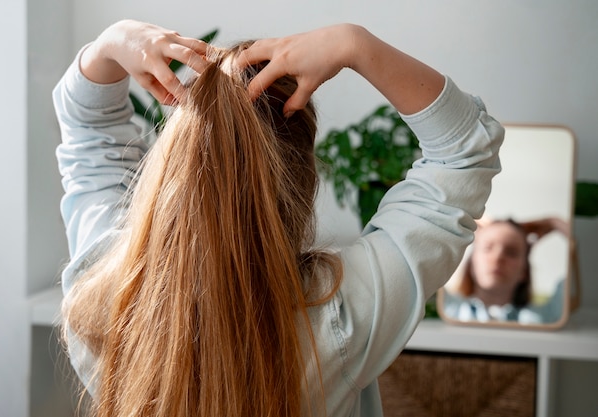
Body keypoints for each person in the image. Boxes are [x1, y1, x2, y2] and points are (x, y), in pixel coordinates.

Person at [54, 19, 504, 417]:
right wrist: (354, 44)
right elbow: (464, 152)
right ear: (303, 183)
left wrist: (109, 43)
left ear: (172, 159)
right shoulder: (340, 319)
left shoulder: (104, 296)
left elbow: (89, 136)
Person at [443, 217, 569, 324]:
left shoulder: (542, 317)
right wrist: (467, 217)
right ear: (471, 263)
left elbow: (584, 273)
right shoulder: (447, 307)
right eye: (488, 248)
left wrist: (555, 222)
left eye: (511, 252)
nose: (497, 258)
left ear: (523, 272)